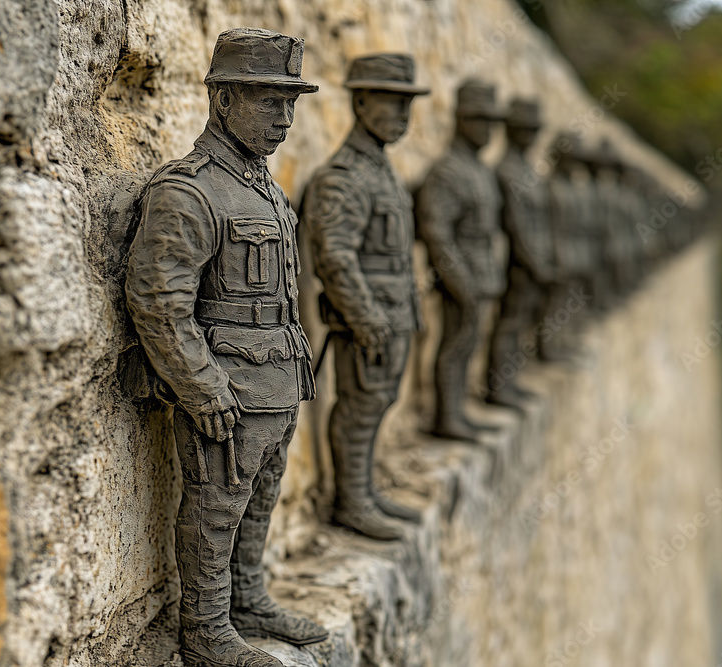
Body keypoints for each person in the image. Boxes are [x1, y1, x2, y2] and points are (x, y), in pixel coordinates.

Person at [125, 28, 326, 667]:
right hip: (230, 388)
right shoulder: (188, 190)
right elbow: (159, 301)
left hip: (276, 378)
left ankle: (247, 600)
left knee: (261, 497)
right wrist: (202, 385)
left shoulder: (262, 184)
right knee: (216, 507)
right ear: (223, 102)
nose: (285, 119)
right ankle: (206, 633)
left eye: (289, 102)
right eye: (268, 101)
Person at [301, 54, 429, 540]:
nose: (402, 115)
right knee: (359, 406)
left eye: (407, 105)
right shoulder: (345, 175)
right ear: (359, 101)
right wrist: (365, 315)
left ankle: (364, 489)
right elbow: (334, 257)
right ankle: (350, 502)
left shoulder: (379, 169)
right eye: (391, 103)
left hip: (394, 312)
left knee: (378, 401)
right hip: (370, 318)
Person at [415, 80, 508, 441]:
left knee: (469, 343)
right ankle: (446, 416)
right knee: (455, 345)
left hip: (483, 273)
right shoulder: (448, 171)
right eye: (481, 120)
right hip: (463, 276)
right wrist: (459, 280)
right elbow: (437, 233)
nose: (489, 129)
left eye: (492, 121)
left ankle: (458, 411)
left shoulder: (480, 170)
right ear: (460, 119)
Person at [486, 99, 555, 409]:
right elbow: (517, 225)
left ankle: (510, 380)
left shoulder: (526, 170)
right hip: (518, 264)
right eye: (525, 130)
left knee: (521, 321)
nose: (531, 136)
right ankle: (498, 384)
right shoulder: (508, 171)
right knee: (510, 322)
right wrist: (534, 262)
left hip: (533, 262)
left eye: (534, 131)